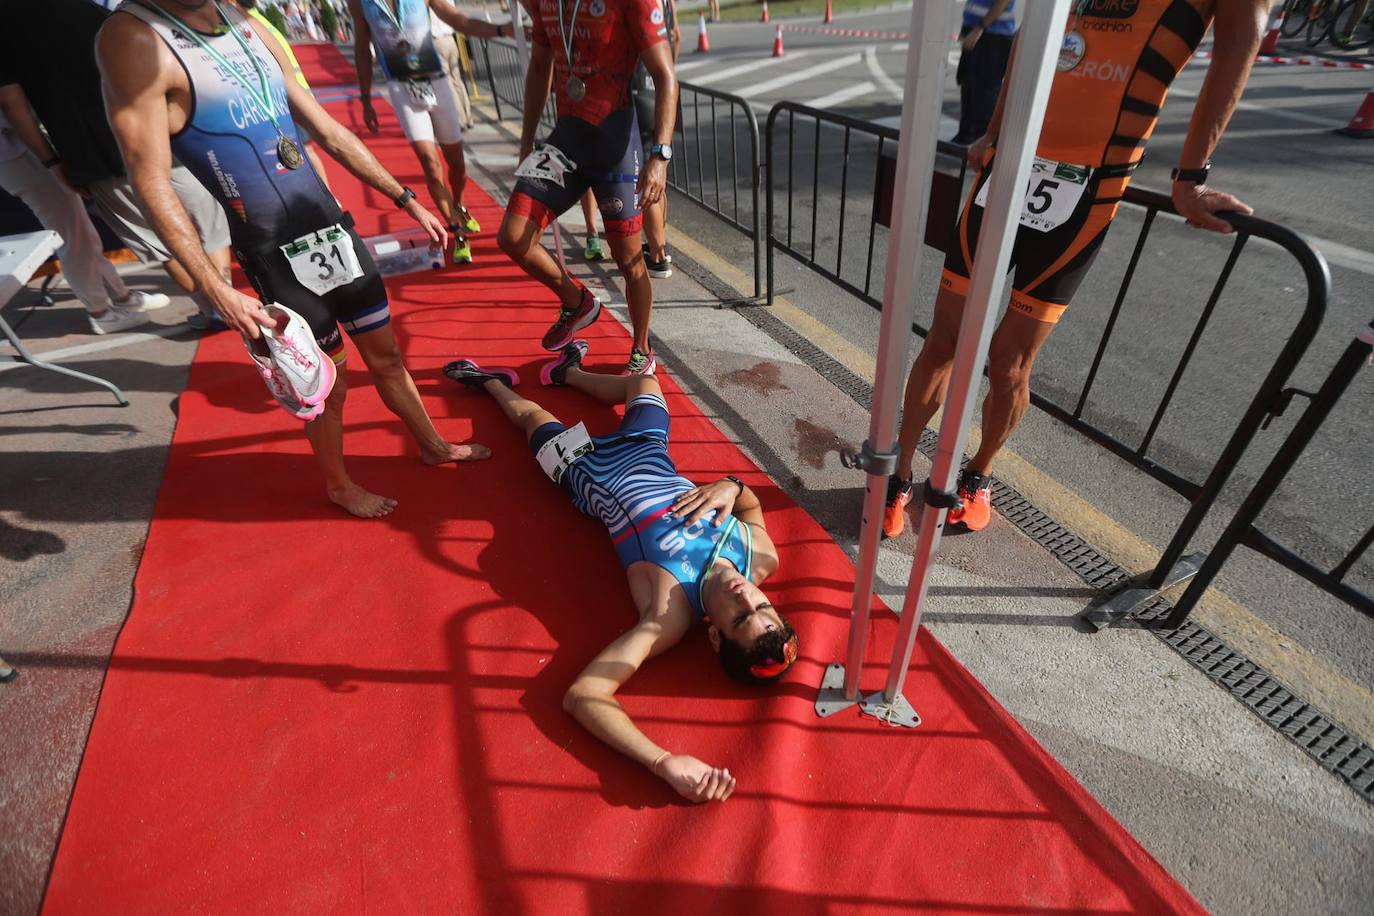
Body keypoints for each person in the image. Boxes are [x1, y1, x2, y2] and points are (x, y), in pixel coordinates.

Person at [883, 0, 1269, 539]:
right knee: (944, 340)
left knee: (1010, 364)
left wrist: (1191, 176)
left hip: (1092, 187)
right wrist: (994, 130)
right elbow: (1031, 37)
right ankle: (898, 476)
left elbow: (1241, 38)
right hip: (1008, 166)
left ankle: (979, 474)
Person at [98, 0, 492, 519]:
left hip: (328, 226)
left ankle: (432, 445)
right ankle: (339, 485)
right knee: (329, 382)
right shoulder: (132, 37)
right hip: (271, 249)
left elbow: (327, 130)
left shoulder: (243, 19)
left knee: (388, 357)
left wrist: (405, 198)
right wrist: (216, 288)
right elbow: (148, 177)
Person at [443, 341, 799, 803]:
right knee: (644, 382)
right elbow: (750, 506)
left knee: (531, 418)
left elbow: (585, 694)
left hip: (584, 470)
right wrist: (731, 487)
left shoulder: (670, 614)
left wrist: (662, 761)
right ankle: (568, 374)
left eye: (740, 617)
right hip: (650, 451)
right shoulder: (761, 556)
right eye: (763, 606)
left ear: (715, 637)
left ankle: (489, 383)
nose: (745, 595)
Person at [0, 0, 234, 332]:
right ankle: (225, 301)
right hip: (153, 127)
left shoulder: (6, 24)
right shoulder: (90, 9)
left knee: (160, 241)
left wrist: (51, 161)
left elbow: (13, 103)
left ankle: (213, 309)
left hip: (90, 150)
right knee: (208, 227)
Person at [499, 0, 678, 376]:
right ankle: (576, 301)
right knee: (513, 236)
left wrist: (660, 156)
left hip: (614, 147)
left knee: (628, 260)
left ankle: (641, 349)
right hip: (566, 142)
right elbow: (539, 67)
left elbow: (665, 75)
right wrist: (527, 140)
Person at [348, 0, 513, 263]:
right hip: (401, 87)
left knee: (457, 164)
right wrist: (366, 99)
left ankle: (458, 203)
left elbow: (458, 20)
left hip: (436, 81)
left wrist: (502, 30)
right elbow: (361, 49)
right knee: (430, 162)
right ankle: (457, 231)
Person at [0, 110, 169, 335]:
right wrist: (49, 158)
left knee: (79, 230)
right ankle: (101, 312)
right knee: (71, 234)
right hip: (17, 152)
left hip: (20, 149)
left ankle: (119, 297)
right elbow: (12, 104)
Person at [242, 0, 334, 192]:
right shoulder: (260, 21)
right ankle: (327, 194)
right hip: (297, 94)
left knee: (299, 151)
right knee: (305, 150)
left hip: (287, 98)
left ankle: (324, 194)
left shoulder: (248, 25)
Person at [632, 0, 680, 279]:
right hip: (663, 92)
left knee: (645, 183)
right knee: (659, 175)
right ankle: (659, 243)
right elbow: (676, 37)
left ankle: (658, 256)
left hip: (639, 93)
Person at [952, 0, 1016, 146]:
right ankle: (966, 137)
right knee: (968, 87)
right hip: (976, 30)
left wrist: (979, 28)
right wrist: (967, 27)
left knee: (984, 95)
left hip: (992, 35)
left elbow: (1002, 2)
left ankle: (985, 145)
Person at [430, 5, 475, 131]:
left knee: (448, 81)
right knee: (457, 80)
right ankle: (468, 117)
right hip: (450, 38)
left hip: (437, 39)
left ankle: (460, 120)